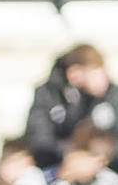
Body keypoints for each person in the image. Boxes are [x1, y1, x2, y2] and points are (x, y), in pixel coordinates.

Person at [24, 43, 118, 174]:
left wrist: (97, 157)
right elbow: (38, 139)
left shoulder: (111, 95)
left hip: (105, 169)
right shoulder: (48, 95)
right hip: (58, 169)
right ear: (74, 73)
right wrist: (70, 154)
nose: (103, 79)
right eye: (94, 72)